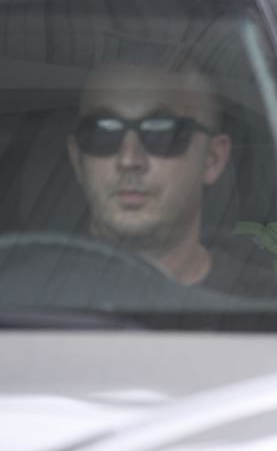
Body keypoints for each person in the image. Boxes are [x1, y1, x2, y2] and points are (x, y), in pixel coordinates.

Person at [65, 62, 232, 285]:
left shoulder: (267, 302)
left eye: (161, 132)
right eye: (103, 131)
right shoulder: (23, 292)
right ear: (77, 160)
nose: (128, 160)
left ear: (212, 159)